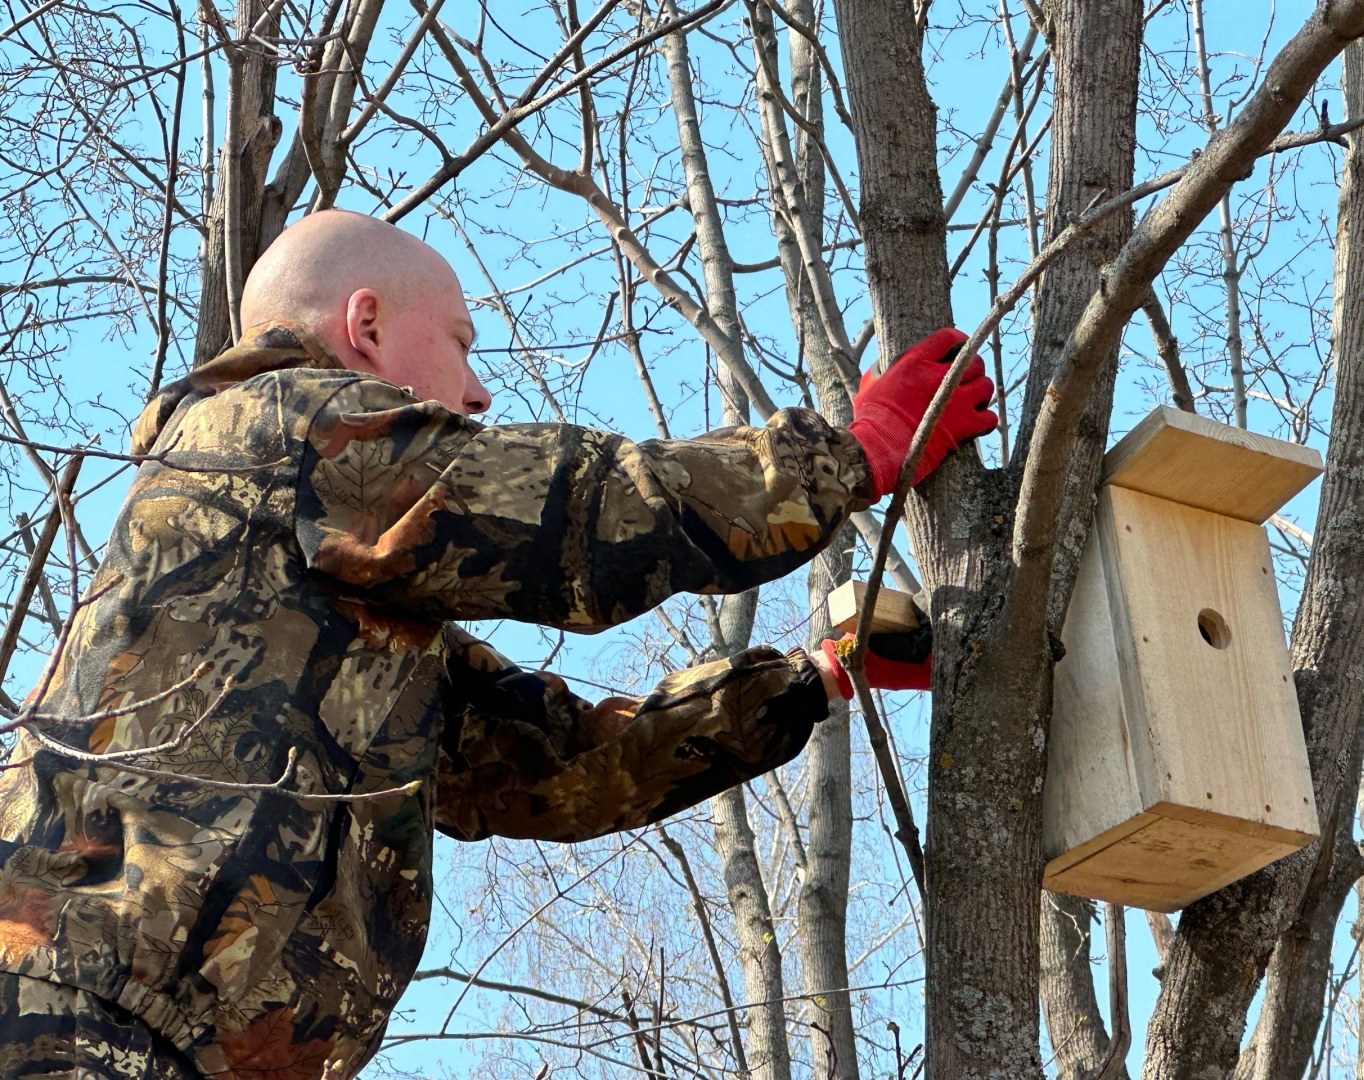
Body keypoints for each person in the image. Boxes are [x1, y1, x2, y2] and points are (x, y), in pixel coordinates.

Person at [0, 210, 996, 1079]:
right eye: (464, 344)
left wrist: (814, 679)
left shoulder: (340, 606)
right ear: (367, 325)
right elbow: (584, 518)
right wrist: (854, 453)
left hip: (159, 1039)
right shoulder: (279, 426)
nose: (477, 393)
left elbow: (556, 766)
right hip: (84, 1020)